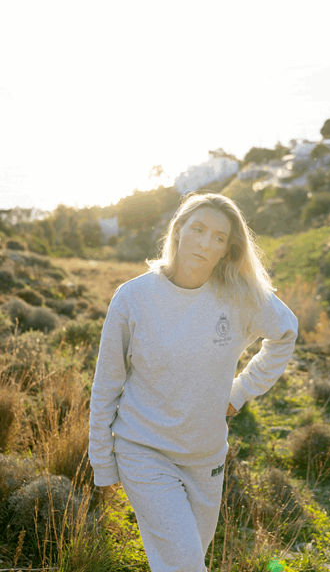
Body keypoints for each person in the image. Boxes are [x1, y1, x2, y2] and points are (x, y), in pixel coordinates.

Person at [88, 192, 298, 572]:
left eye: (219, 237)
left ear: (227, 250)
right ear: (178, 230)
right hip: (144, 450)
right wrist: (102, 460)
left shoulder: (238, 296)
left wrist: (242, 390)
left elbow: (285, 332)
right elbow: (107, 383)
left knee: (183, 561)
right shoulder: (134, 298)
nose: (205, 243)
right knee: (185, 566)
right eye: (198, 229)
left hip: (206, 458)